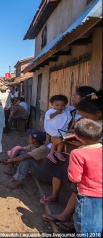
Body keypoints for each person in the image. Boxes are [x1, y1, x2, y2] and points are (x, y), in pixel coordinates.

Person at [40, 87, 99, 230]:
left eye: (75, 96)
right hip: (73, 149)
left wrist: (68, 140)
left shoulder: (87, 118)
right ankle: (64, 211)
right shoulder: (74, 111)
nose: (72, 99)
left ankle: (71, 218)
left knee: (83, 196)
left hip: (87, 161)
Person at [68, 119, 102, 233]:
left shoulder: (77, 153)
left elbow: (75, 178)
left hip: (89, 196)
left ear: (77, 136)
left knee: (87, 228)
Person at [44, 95, 74, 163]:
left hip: (62, 129)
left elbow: (73, 108)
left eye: (62, 105)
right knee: (55, 141)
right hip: (54, 130)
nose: (60, 107)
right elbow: (48, 117)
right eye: (57, 105)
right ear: (52, 104)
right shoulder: (51, 111)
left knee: (61, 141)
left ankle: (58, 152)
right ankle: (51, 154)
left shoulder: (66, 109)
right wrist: (56, 113)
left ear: (66, 104)